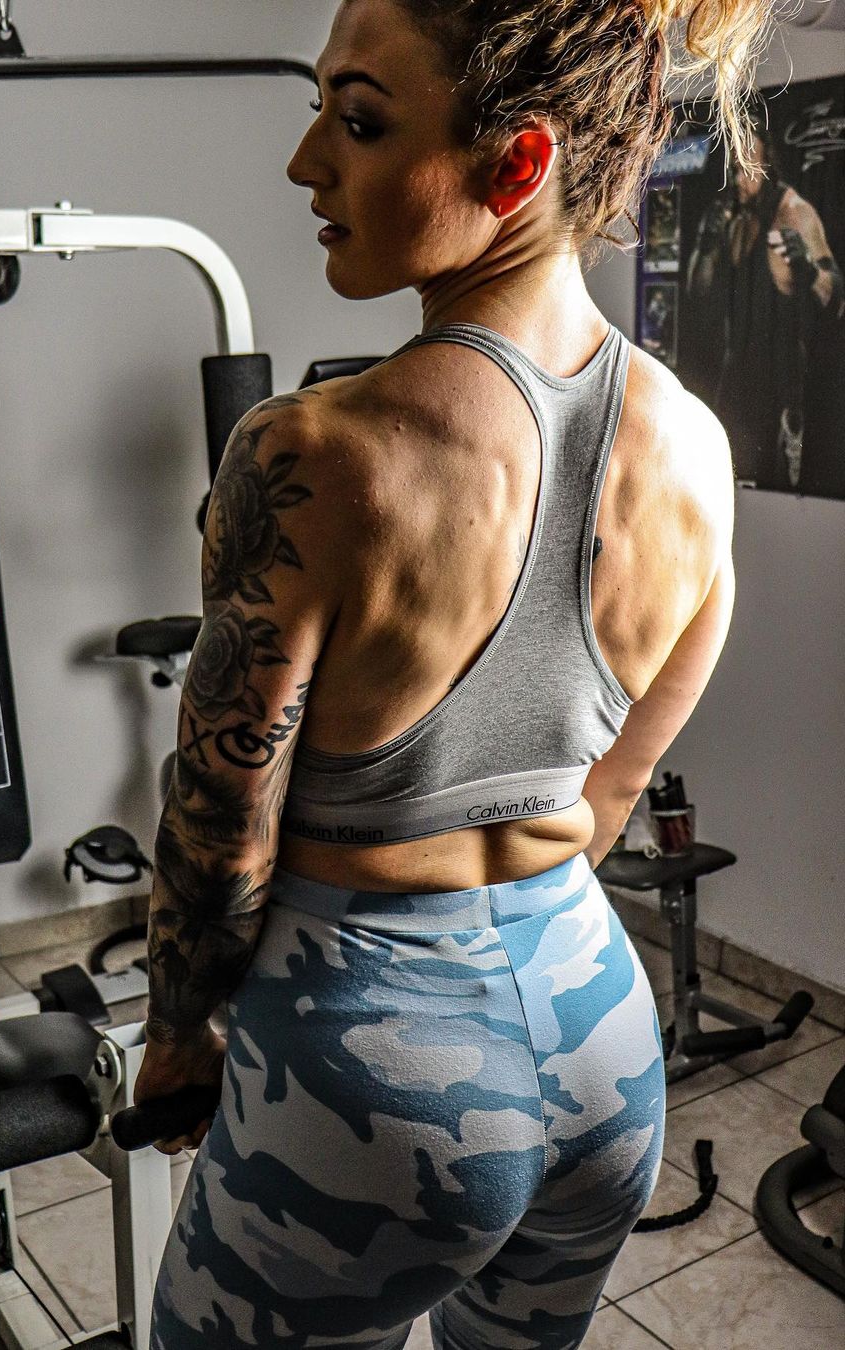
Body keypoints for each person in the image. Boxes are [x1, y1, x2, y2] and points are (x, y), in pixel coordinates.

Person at [134, 1, 768, 1345]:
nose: (308, 162)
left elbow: (220, 823)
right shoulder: (701, 451)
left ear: (518, 162)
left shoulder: (312, 453)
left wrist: (181, 1035)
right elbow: (606, 799)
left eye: (360, 122)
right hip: (602, 1041)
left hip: (373, 1077)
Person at [685, 93, 844, 491]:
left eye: (748, 169)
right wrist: (706, 246)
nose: (739, 180)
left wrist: (808, 271)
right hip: (733, 374)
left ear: (768, 164)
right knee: (726, 486)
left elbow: (837, 296)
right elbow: (695, 291)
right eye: (734, 170)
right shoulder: (729, 214)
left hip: (782, 385)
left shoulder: (795, 213)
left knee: (775, 489)